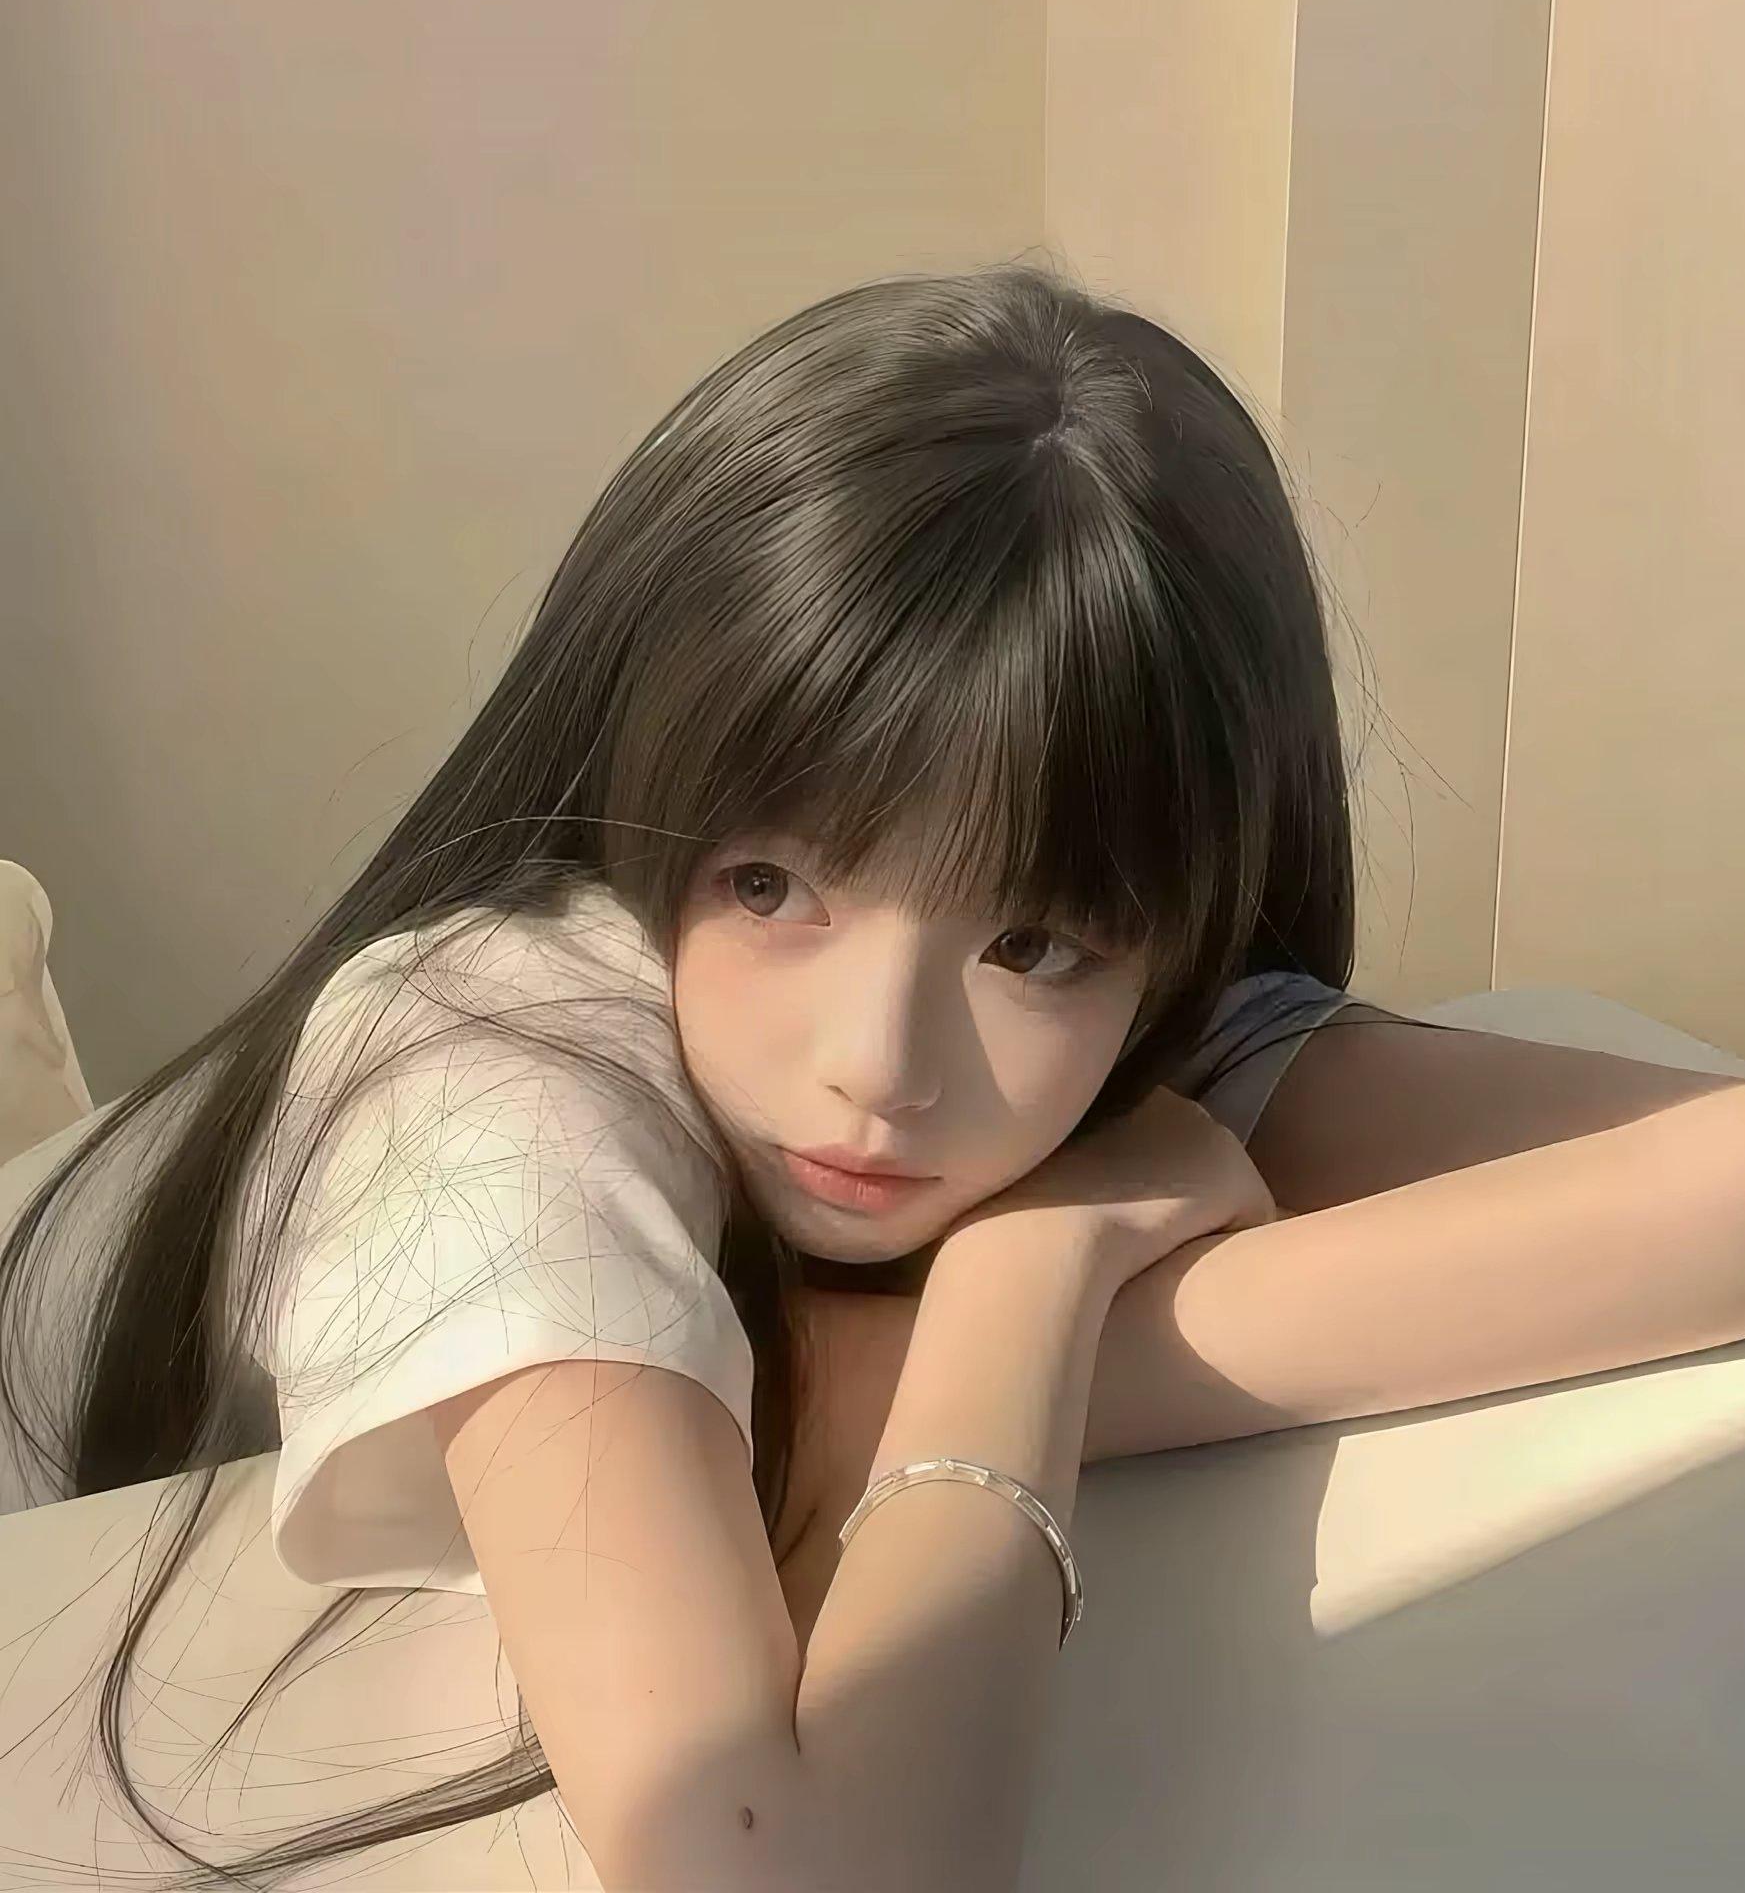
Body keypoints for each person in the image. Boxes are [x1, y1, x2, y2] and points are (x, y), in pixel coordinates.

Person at [0, 258, 1434, 1890]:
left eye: (1032, 943)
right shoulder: (489, 1077)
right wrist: (1026, 1279)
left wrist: (904, 1355)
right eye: (770, 885)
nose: (878, 1067)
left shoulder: (1130, 1014)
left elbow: (1703, 1191)